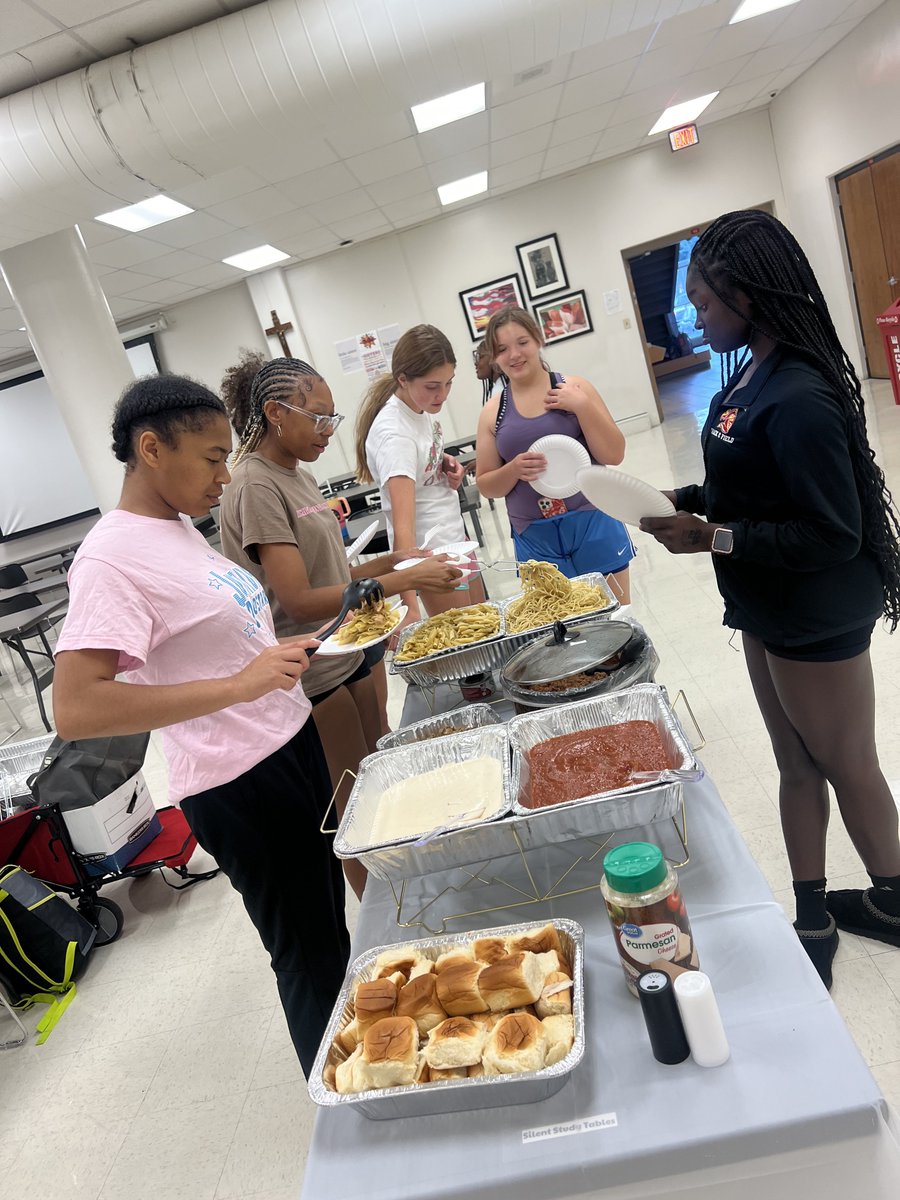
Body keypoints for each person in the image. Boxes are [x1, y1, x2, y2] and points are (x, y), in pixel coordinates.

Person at [52, 375, 349, 1074]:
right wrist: (237, 684)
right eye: (213, 458)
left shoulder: (176, 527)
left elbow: (204, 636)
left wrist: (268, 658)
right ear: (151, 449)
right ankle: (350, 1121)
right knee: (308, 960)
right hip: (240, 783)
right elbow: (78, 705)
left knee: (328, 938)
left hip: (288, 747)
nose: (226, 474)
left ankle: (367, 1079)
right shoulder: (109, 558)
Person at [639, 209, 900, 987]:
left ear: (751, 296)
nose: (696, 316)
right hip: (764, 601)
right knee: (793, 763)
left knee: (846, 762)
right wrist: (679, 499)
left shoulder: (801, 394)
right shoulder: (748, 369)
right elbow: (746, 486)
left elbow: (833, 533)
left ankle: (892, 902)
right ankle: (813, 910)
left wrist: (713, 538)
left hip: (816, 610)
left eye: (708, 303)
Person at [218, 352, 462, 896]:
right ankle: (388, 915)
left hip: (347, 649)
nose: (329, 431)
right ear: (275, 412)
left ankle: (412, 885)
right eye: (319, 418)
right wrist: (400, 583)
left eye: (332, 418)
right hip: (313, 667)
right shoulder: (255, 486)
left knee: (379, 773)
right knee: (354, 803)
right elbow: (300, 600)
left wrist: (395, 563)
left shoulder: (294, 475)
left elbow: (337, 572)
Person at [474, 305, 634, 600]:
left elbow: (614, 454)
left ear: (538, 340)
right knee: (561, 633)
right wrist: (512, 470)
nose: (514, 355)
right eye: (502, 349)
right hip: (534, 535)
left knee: (617, 622)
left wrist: (582, 406)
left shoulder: (575, 387)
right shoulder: (492, 413)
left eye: (522, 342)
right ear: (494, 357)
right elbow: (485, 485)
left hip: (593, 518)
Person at [355, 324, 486, 628]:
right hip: (432, 556)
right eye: (432, 386)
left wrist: (442, 466)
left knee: (484, 630)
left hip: (454, 540)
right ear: (403, 379)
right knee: (469, 647)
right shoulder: (394, 434)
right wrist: (408, 604)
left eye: (448, 383)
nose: (442, 394)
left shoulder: (418, 408)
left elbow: (419, 468)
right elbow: (403, 534)